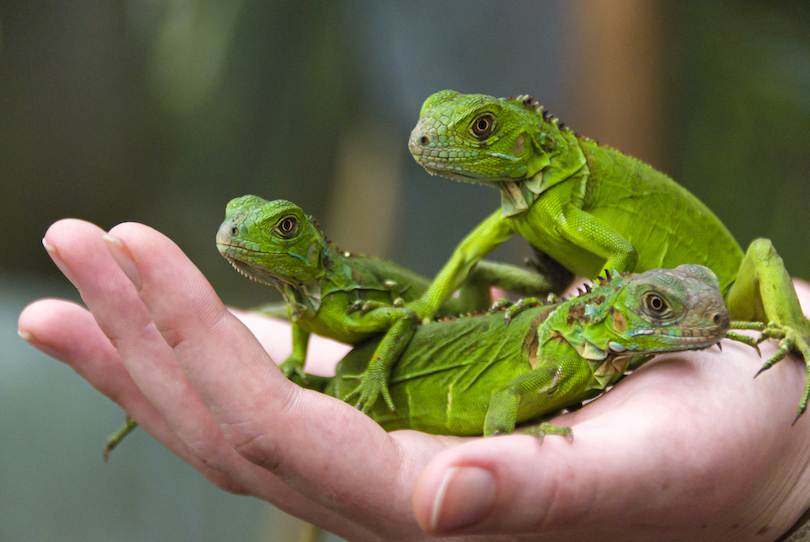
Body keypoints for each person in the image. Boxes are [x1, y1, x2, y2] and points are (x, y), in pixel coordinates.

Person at [17, 218, 810, 542]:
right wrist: (528, 435)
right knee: (243, 397)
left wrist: (788, 468)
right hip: (388, 388)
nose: (696, 323)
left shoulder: (594, 343)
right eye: (662, 308)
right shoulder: (565, 355)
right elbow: (503, 404)